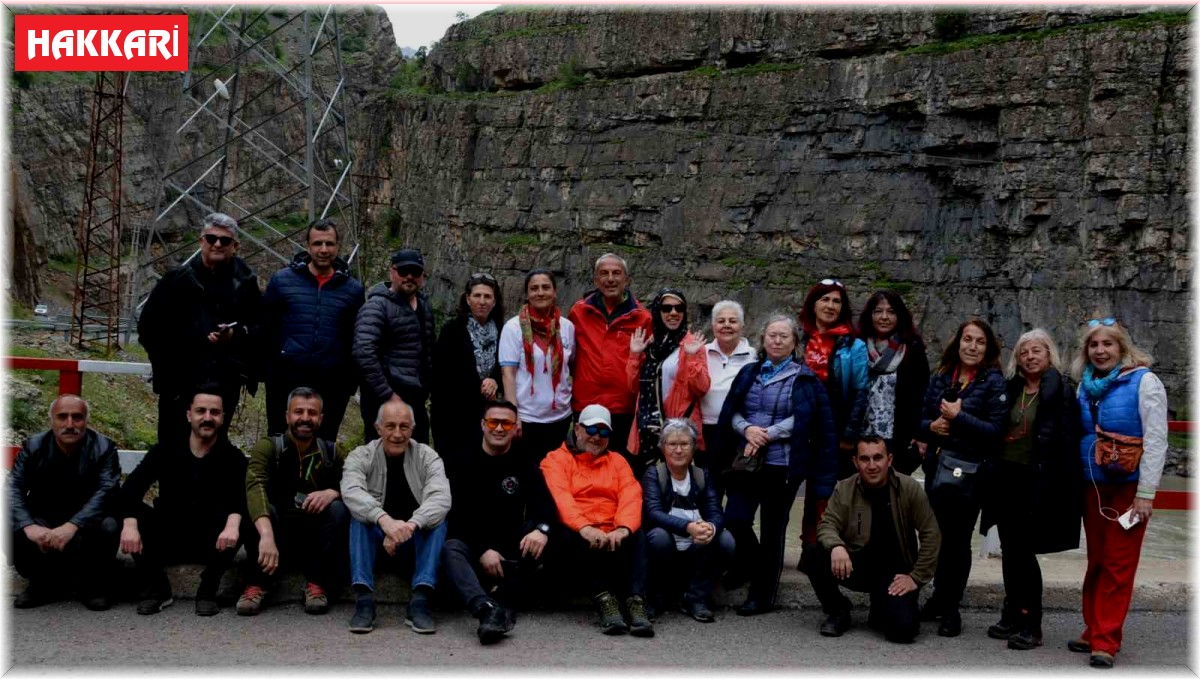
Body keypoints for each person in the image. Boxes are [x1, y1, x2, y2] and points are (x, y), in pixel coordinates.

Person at [716, 314, 837, 616]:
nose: (777, 340)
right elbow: (731, 410)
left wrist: (768, 434)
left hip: (781, 465)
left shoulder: (805, 378)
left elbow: (807, 419)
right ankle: (749, 564)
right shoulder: (748, 373)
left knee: (772, 531)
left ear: (795, 342)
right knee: (735, 518)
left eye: (784, 336)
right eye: (772, 335)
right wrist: (747, 429)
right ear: (763, 340)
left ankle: (762, 595)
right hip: (746, 461)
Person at [1066, 318, 1167, 669]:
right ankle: (1093, 626)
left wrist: (1146, 494)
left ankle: (1106, 639)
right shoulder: (1084, 387)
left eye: (1107, 344)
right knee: (1097, 560)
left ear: (1121, 347)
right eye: (1094, 345)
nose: (1100, 350)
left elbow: (1156, 440)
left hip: (1129, 489)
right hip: (1094, 485)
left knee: (1118, 564)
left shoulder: (1145, 382)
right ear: (1086, 351)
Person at [980, 329, 1080, 650]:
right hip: (1006, 478)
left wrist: (1060, 486)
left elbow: (1066, 441)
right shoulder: (1012, 388)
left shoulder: (1062, 391)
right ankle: (1011, 613)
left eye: (1037, 350)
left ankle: (1031, 623)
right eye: (1024, 352)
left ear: (1049, 354)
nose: (1030, 357)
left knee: (1024, 553)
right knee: (1010, 550)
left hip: (1036, 481)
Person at [120, 386, 247, 616]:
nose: (207, 418)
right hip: (168, 535)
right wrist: (129, 525)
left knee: (244, 517)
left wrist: (233, 523)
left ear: (222, 418)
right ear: (189, 415)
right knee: (126, 511)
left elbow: (241, 497)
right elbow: (131, 488)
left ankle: (208, 590)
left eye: (214, 412)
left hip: (212, 542)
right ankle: (159, 590)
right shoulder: (165, 450)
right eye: (201, 411)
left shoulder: (233, 457)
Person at [917, 318, 1008, 637]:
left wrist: (959, 417)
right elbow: (920, 419)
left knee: (957, 542)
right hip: (937, 469)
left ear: (988, 349)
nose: (972, 346)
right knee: (936, 537)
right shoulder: (941, 376)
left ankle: (951, 607)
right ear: (957, 343)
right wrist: (931, 427)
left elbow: (996, 433)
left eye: (979, 341)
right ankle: (938, 598)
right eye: (967, 339)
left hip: (971, 473)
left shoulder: (994, 382)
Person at [138, 212, 261, 443]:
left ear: (235, 246)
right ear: (201, 240)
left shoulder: (247, 283)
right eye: (211, 238)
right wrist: (168, 363)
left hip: (224, 383)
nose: (217, 244)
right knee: (171, 447)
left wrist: (234, 336)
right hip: (178, 383)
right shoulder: (175, 280)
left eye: (224, 240)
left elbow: (260, 328)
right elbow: (148, 327)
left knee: (214, 453)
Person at [803, 437, 940, 643]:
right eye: (865, 459)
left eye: (878, 458)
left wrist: (916, 577)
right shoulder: (844, 488)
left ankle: (881, 608)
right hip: (855, 565)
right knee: (813, 553)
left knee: (902, 631)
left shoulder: (909, 488)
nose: (872, 465)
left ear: (889, 459)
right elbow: (826, 525)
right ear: (855, 462)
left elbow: (931, 533)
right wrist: (837, 546)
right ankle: (838, 609)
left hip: (894, 573)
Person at [441, 401, 557, 645]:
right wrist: (483, 549)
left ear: (515, 428)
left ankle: (501, 598)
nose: (499, 428)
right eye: (493, 422)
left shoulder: (525, 462)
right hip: (472, 544)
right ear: (483, 425)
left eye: (506, 423)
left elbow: (545, 505)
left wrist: (541, 531)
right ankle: (484, 609)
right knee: (450, 548)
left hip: (510, 544)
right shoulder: (459, 463)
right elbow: (454, 516)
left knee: (551, 538)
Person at [540, 404, 653, 637]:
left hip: (612, 532)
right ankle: (604, 599)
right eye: (592, 430)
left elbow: (631, 495)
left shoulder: (619, 461)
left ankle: (636, 601)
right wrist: (585, 527)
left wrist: (622, 529)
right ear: (578, 429)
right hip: (579, 534)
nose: (597, 437)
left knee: (637, 532)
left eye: (604, 432)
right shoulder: (555, 460)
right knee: (567, 533)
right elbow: (561, 499)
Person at [341, 399, 451, 635]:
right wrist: (385, 521)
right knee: (359, 517)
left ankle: (421, 600)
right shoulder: (361, 456)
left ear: (413, 429)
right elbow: (351, 492)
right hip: (375, 542)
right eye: (390, 426)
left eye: (404, 426)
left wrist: (409, 526)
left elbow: (441, 499)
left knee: (438, 521)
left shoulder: (427, 457)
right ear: (378, 428)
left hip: (413, 543)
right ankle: (364, 601)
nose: (397, 434)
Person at [238, 387, 350, 617]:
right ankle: (258, 583)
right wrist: (267, 535)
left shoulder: (332, 452)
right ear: (287, 416)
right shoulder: (269, 447)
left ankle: (317, 583)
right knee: (256, 507)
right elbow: (255, 486)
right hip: (275, 534)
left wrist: (333, 492)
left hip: (314, 538)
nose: (305, 418)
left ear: (321, 418)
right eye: (299, 411)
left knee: (339, 509)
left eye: (312, 412)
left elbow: (356, 486)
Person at [8, 395, 120, 610]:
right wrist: (28, 526)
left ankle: (92, 585)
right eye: (63, 417)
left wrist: (72, 525)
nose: (70, 424)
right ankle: (41, 583)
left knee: (110, 525)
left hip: (87, 522)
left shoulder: (104, 448)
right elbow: (12, 488)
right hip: (43, 518)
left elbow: (107, 491)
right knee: (9, 520)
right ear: (52, 420)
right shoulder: (33, 447)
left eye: (77, 417)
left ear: (86, 420)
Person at [260, 218, 364, 440]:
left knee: (324, 444)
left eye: (329, 244)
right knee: (280, 440)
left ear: (338, 246)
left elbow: (355, 337)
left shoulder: (353, 290)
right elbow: (266, 329)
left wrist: (348, 382)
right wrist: (271, 372)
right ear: (307, 246)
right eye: (318, 244)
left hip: (332, 382)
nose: (324, 250)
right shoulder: (282, 281)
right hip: (286, 378)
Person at [794, 279, 868, 557]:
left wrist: (849, 434)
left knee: (821, 492)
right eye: (825, 299)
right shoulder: (797, 338)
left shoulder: (854, 346)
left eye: (836, 301)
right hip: (796, 427)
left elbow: (861, 392)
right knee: (787, 491)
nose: (830, 306)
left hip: (831, 428)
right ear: (813, 304)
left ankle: (814, 550)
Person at [641, 419, 734, 623]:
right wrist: (688, 527)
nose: (678, 450)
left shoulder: (702, 475)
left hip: (696, 547)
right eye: (672, 444)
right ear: (662, 448)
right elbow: (653, 512)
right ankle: (655, 596)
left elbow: (716, 512)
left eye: (684, 444)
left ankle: (695, 598)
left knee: (726, 540)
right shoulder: (654, 474)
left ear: (693, 448)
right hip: (666, 548)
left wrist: (710, 527)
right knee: (657, 537)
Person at [568, 253, 653, 466]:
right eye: (604, 273)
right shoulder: (579, 312)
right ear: (596, 280)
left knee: (621, 465)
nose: (610, 279)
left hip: (623, 406)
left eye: (617, 273)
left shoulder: (643, 317)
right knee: (584, 462)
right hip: (586, 403)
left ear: (627, 279)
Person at [353, 248, 436, 444]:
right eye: (403, 271)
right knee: (381, 457)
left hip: (416, 397)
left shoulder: (424, 307)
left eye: (415, 272)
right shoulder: (376, 306)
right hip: (382, 398)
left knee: (418, 455)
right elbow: (363, 353)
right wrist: (388, 395)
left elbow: (429, 351)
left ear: (422, 276)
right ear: (392, 272)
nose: (409, 277)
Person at [626, 288, 709, 471]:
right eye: (667, 308)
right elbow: (633, 388)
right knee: (647, 489)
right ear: (657, 310)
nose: (673, 313)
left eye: (679, 308)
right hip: (647, 430)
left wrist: (692, 358)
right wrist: (635, 355)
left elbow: (701, 388)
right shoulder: (651, 344)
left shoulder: (692, 344)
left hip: (679, 430)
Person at [500, 269, 576, 462]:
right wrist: (513, 414)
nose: (540, 293)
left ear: (555, 291)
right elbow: (508, 373)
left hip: (560, 417)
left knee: (555, 474)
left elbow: (571, 366)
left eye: (545, 287)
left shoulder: (567, 327)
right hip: (527, 418)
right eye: (534, 288)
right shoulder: (513, 328)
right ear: (527, 294)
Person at [433, 272, 506, 463]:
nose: (482, 301)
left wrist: (494, 381)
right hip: (454, 418)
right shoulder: (452, 331)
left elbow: (506, 369)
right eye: (477, 295)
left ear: (495, 301)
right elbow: (441, 377)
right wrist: (478, 385)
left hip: (488, 418)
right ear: (467, 299)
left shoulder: (503, 332)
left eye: (487, 296)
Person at [856, 290, 930, 475]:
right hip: (859, 435)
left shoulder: (912, 348)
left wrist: (919, 434)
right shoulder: (856, 347)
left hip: (898, 438)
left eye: (891, 312)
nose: (884, 317)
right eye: (878, 311)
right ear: (869, 315)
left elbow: (923, 395)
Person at [699, 300, 755, 473]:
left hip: (738, 431)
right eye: (721, 321)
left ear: (742, 325)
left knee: (737, 483)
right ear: (713, 325)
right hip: (706, 430)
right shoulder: (701, 352)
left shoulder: (754, 356)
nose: (727, 325)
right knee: (709, 485)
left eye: (733, 321)